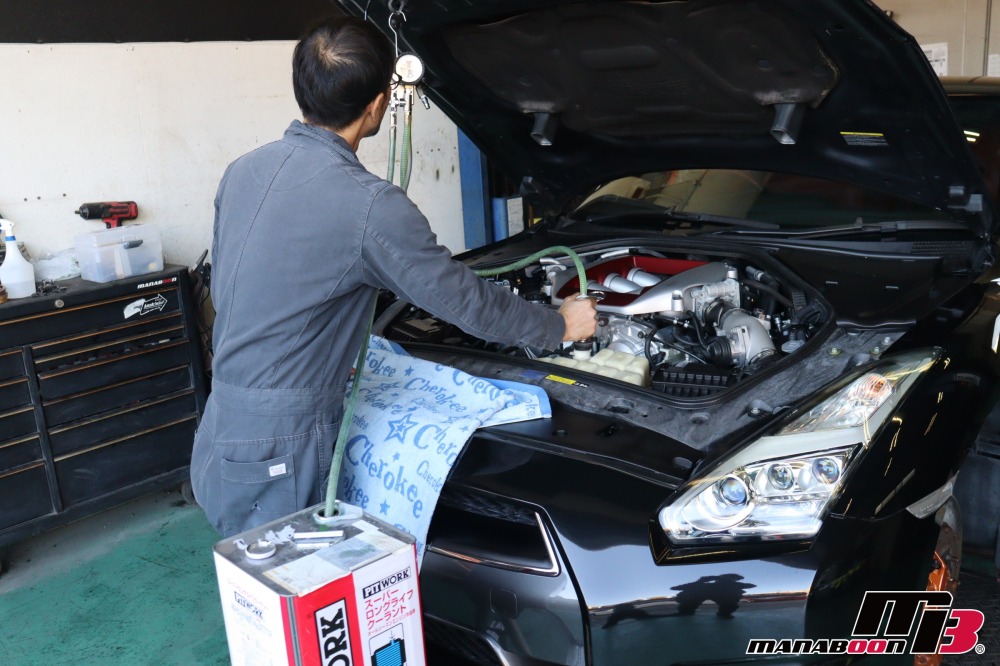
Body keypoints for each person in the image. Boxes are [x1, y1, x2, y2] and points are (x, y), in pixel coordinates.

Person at [190, 16, 597, 537]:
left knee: (254, 570)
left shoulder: (243, 170)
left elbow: (237, 283)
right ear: (378, 104)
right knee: (288, 579)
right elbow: (465, 303)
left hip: (222, 423)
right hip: (281, 446)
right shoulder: (370, 205)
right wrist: (558, 326)